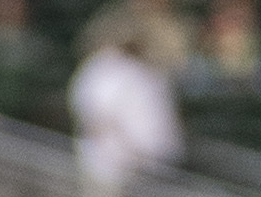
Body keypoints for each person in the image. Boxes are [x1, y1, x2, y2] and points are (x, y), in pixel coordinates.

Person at [69, 12, 183, 185]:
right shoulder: (103, 66)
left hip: (151, 167)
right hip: (111, 166)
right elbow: (94, 114)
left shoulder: (149, 73)